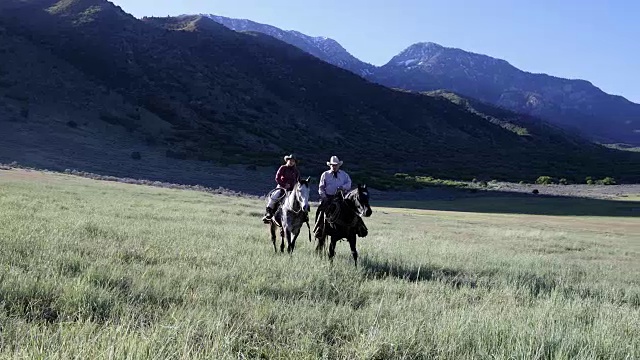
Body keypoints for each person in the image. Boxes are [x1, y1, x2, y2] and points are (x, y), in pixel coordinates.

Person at [313, 155, 352, 236]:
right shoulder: (325, 174)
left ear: (338, 165)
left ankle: (357, 228)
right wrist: (323, 196)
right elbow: (321, 187)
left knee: (352, 209)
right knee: (321, 210)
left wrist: (343, 187)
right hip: (328, 197)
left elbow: (349, 184)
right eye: (332, 165)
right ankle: (319, 228)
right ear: (330, 165)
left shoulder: (344, 175)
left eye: (336, 165)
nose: (334, 167)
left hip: (341, 197)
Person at [262, 154, 300, 223]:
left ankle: (301, 216)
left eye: (293, 161)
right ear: (287, 161)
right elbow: (277, 178)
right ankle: (269, 213)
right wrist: (284, 185)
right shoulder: (283, 168)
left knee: (300, 200)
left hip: (292, 189)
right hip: (282, 187)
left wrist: (294, 187)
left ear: (294, 162)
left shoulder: (296, 171)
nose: (291, 162)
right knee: (274, 196)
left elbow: (297, 181)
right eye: (290, 160)